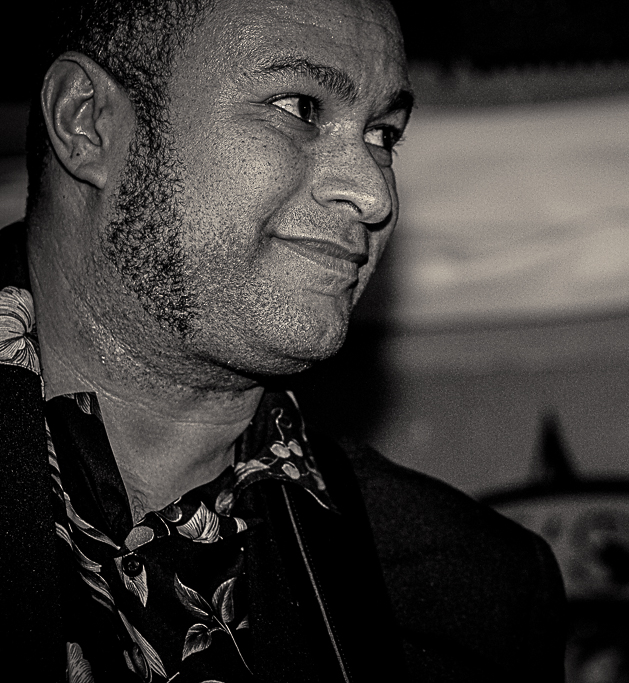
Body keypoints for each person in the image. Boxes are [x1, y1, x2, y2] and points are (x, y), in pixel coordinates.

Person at [0, 0, 566, 681]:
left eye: (383, 134)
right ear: (86, 121)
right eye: (299, 107)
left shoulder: (471, 592)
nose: (374, 194)